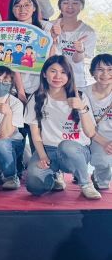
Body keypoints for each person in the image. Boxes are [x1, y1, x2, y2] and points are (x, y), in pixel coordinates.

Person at [25, 55, 100, 199]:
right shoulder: (36, 98)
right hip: (48, 149)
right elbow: (35, 134)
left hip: (76, 150)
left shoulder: (80, 97)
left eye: (63, 72)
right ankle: (54, 176)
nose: (58, 76)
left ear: (69, 76)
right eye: (53, 71)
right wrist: (42, 156)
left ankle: (85, 183)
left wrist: (82, 108)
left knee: (66, 146)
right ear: (44, 74)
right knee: (34, 186)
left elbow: (90, 133)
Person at [8, 0, 55, 105]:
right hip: (15, 88)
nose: (22, 9)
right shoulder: (8, 30)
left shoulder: (47, 28)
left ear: (34, 8)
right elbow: (12, 63)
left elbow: (52, 60)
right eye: (17, 5)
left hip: (41, 87)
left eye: (27, 5)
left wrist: (54, 40)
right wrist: (21, 92)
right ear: (12, 10)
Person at [49, 0, 96, 89]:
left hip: (76, 82)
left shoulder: (88, 32)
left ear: (82, 6)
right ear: (60, 6)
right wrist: (53, 39)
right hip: (51, 81)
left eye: (75, 3)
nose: (70, 6)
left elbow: (77, 60)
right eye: (65, 3)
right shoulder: (48, 26)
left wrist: (80, 51)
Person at [86, 54, 112, 191]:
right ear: (92, 72)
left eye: (110, 69)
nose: (105, 74)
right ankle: (99, 178)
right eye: (100, 69)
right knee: (102, 160)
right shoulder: (84, 93)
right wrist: (104, 142)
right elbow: (81, 125)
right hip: (93, 137)